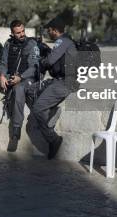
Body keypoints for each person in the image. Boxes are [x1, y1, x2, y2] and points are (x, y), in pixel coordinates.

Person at [0, 20, 39, 152]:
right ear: (12, 33)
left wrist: (20, 77)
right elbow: (3, 62)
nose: (21, 34)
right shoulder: (8, 44)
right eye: (18, 33)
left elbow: (34, 67)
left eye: (22, 31)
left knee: (19, 89)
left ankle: (16, 128)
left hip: (24, 78)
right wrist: (2, 75)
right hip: (9, 75)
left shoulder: (32, 44)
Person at [31, 16, 77, 159]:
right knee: (30, 91)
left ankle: (53, 139)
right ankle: (51, 110)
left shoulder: (62, 41)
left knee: (37, 108)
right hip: (62, 80)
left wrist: (42, 59)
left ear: (55, 30)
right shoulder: (67, 41)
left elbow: (50, 61)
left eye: (49, 30)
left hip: (63, 83)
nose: (48, 32)